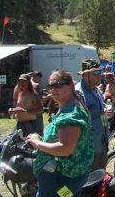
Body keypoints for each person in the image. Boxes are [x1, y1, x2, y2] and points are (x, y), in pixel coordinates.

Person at [26, 69, 93, 197]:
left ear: (71, 86)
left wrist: (37, 143)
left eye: (58, 85)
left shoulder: (70, 113)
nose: (53, 90)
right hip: (64, 178)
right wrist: (41, 139)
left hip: (61, 178)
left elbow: (65, 149)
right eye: (51, 86)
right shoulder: (66, 108)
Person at [75, 59, 110, 170]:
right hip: (88, 147)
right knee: (90, 182)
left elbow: (103, 109)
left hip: (102, 143)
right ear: (85, 75)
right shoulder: (78, 93)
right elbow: (79, 118)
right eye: (95, 73)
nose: (99, 75)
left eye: (100, 72)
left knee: (101, 179)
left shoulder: (97, 91)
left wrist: (109, 112)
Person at [30, 71, 46, 135]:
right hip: (36, 110)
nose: (40, 80)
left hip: (25, 111)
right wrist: (51, 96)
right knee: (38, 133)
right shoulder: (36, 85)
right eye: (40, 78)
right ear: (36, 77)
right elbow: (41, 100)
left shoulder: (21, 85)